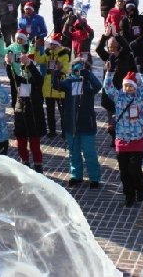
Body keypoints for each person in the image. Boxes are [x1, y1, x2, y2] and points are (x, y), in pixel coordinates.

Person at [103, 69, 143, 206]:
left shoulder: (140, 97)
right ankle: (129, 195)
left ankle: (141, 187)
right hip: (121, 139)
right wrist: (110, 72)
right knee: (124, 171)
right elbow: (107, 87)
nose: (128, 88)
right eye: (126, 86)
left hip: (137, 139)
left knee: (134, 168)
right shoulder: (119, 97)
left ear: (135, 87)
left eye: (131, 86)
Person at [54, 56, 102, 188]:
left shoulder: (88, 84)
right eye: (76, 70)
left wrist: (89, 75)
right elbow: (57, 86)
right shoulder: (68, 82)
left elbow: (98, 86)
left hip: (87, 124)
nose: (78, 73)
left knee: (89, 152)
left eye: (81, 70)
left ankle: (94, 177)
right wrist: (55, 74)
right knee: (73, 152)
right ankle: (76, 175)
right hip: (72, 125)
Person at [13, 53, 46, 173]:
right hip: (20, 113)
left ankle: (38, 166)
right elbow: (12, 76)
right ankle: (25, 163)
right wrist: (9, 64)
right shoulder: (20, 78)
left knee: (34, 144)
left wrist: (30, 64)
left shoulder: (37, 80)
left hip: (34, 114)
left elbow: (38, 77)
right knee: (21, 143)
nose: (25, 70)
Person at [38, 33, 70, 137]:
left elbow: (66, 69)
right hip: (48, 87)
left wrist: (60, 67)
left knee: (63, 112)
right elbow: (39, 60)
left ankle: (65, 131)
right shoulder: (47, 53)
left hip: (59, 86)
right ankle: (52, 131)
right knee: (50, 112)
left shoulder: (64, 54)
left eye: (54, 45)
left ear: (58, 45)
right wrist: (36, 49)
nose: (52, 46)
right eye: (51, 44)